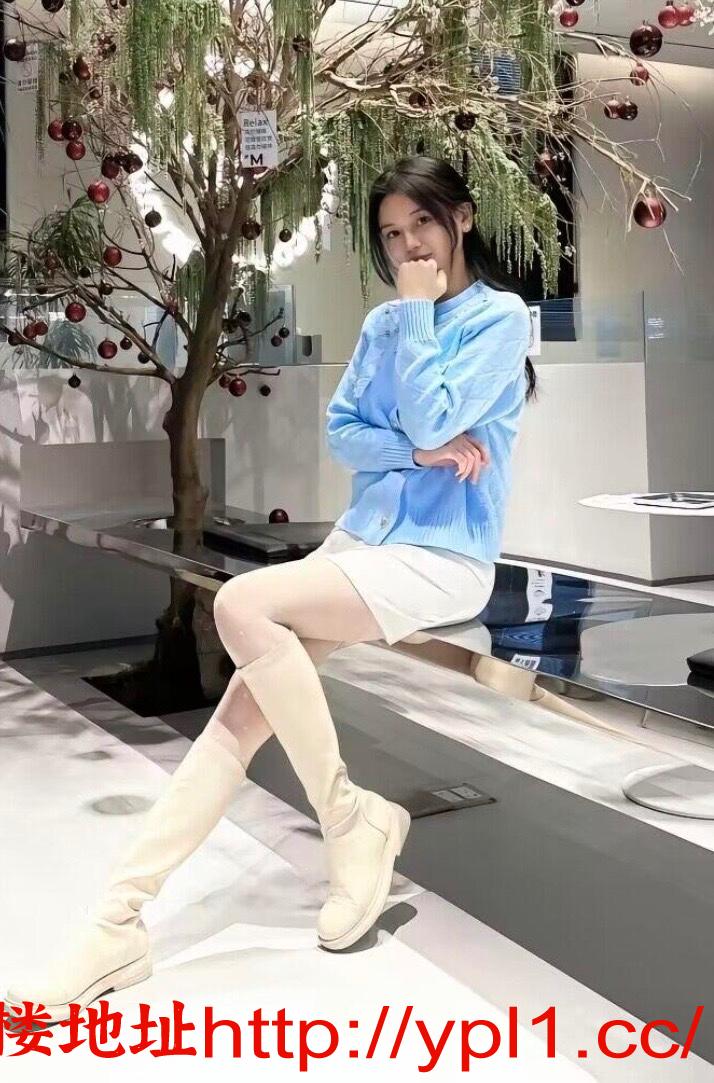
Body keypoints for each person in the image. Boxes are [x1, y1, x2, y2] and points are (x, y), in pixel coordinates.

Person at [4, 156, 535, 1023]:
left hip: (442, 558)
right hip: (363, 545)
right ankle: (117, 921)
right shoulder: (385, 325)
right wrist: (414, 451)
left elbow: (437, 413)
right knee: (237, 719)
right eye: (392, 234)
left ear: (463, 219)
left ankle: (348, 818)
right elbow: (347, 433)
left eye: (422, 225)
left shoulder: (499, 319)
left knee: (240, 603)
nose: (409, 247)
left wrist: (415, 334)